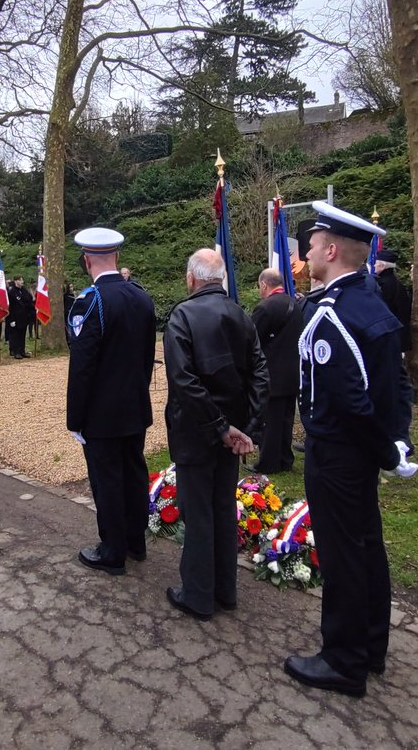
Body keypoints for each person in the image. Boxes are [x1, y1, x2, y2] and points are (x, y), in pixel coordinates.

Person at [284, 202, 412, 699]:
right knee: (366, 548)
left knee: (342, 558)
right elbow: (396, 385)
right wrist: (398, 442)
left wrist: (385, 449)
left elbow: (353, 401)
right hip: (360, 452)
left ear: (332, 251)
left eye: (312, 246)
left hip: (338, 452)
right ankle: (370, 647)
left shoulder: (330, 315)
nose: (307, 253)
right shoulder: (371, 301)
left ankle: (343, 660)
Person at [163, 249, 268, 620]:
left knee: (200, 512)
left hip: (199, 432)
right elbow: (260, 374)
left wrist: (223, 429)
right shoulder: (241, 314)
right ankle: (225, 589)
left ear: (192, 278)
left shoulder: (182, 316)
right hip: (231, 431)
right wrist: (246, 428)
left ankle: (198, 593)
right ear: (219, 278)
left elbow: (183, 381)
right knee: (223, 507)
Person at [67, 227, 156, 576]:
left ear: (87, 260)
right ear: (116, 257)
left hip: (102, 413)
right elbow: (148, 356)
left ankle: (112, 550)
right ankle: (136, 542)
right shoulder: (141, 296)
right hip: (135, 405)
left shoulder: (90, 303)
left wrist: (75, 418)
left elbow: (83, 366)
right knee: (134, 474)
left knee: (107, 480)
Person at [250, 267, 303, 474]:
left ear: (264, 284)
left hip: (271, 374)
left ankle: (268, 462)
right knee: (286, 419)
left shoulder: (265, 308)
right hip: (293, 372)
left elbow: (253, 341)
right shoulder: (295, 304)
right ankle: (285, 458)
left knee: (270, 421)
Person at [374, 249, 412, 354]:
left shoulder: (382, 285)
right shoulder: (396, 283)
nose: (374, 266)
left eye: (376, 264)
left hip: (388, 335)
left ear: (382, 266)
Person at [6, 275, 34, 359]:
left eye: (22, 280)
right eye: (21, 280)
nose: (22, 282)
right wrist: (11, 319)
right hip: (15, 317)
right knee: (15, 335)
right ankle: (15, 351)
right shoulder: (11, 292)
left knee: (22, 335)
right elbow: (10, 306)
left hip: (24, 317)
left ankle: (22, 351)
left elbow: (29, 299)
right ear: (16, 281)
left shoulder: (23, 290)